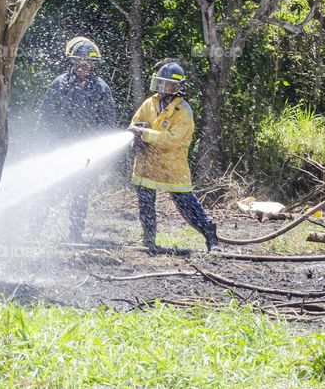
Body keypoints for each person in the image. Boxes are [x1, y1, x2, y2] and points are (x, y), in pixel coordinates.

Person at [32, 36, 117, 242]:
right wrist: (42, 145)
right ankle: (33, 231)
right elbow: (45, 117)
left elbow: (107, 122)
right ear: (73, 61)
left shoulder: (101, 89)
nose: (83, 64)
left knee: (80, 194)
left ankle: (75, 236)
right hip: (59, 150)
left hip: (86, 154)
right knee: (49, 191)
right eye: (79, 60)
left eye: (88, 61)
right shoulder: (59, 84)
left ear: (93, 63)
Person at [129, 62, 219, 253]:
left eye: (168, 85)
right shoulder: (150, 103)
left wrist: (145, 134)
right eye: (161, 84)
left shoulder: (184, 112)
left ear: (178, 88)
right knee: (146, 206)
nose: (163, 89)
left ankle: (211, 238)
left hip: (172, 167)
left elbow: (172, 140)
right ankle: (149, 241)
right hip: (147, 164)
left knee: (187, 205)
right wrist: (135, 135)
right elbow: (136, 122)